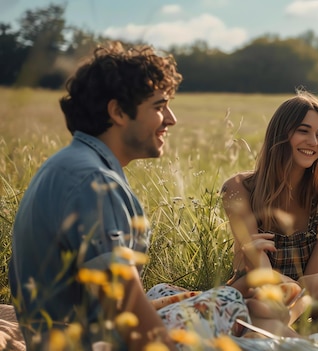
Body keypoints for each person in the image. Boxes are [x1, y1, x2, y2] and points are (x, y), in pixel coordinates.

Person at [8, 42, 186, 350]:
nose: (171, 119)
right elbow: (123, 308)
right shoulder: (94, 182)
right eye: (158, 107)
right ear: (117, 111)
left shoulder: (70, 164)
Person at [220, 91, 318, 297]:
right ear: (280, 135)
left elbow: (317, 280)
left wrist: (297, 299)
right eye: (303, 131)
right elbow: (259, 271)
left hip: (304, 302)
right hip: (252, 296)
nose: (313, 142)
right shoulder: (238, 188)